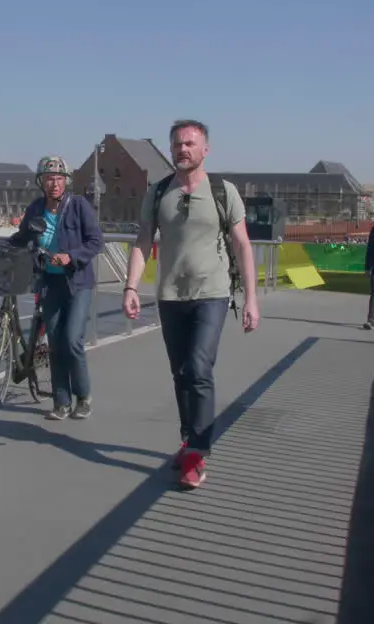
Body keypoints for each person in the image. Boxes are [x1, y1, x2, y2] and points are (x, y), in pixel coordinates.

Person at [122, 119, 259, 490]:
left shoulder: (223, 191)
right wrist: (131, 286)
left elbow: (243, 245)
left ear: (205, 149)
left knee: (199, 366)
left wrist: (251, 299)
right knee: (181, 372)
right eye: (177, 144)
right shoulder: (159, 191)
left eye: (190, 144)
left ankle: (198, 454)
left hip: (211, 293)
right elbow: (142, 240)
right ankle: (188, 439)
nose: (183, 149)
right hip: (170, 296)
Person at [7, 155, 104, 420]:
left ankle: (83, 397)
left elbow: (96, 241)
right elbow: (22, 237)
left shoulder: (79, 206)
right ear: (41, 182)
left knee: (72, 341)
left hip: (77, 284)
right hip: (49, 283)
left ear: (66, 182)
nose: (54, 184)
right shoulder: (36, 208)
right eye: (49, 179)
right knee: (55, 344)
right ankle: (61, 402)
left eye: (59, 179)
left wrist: (71, 256)